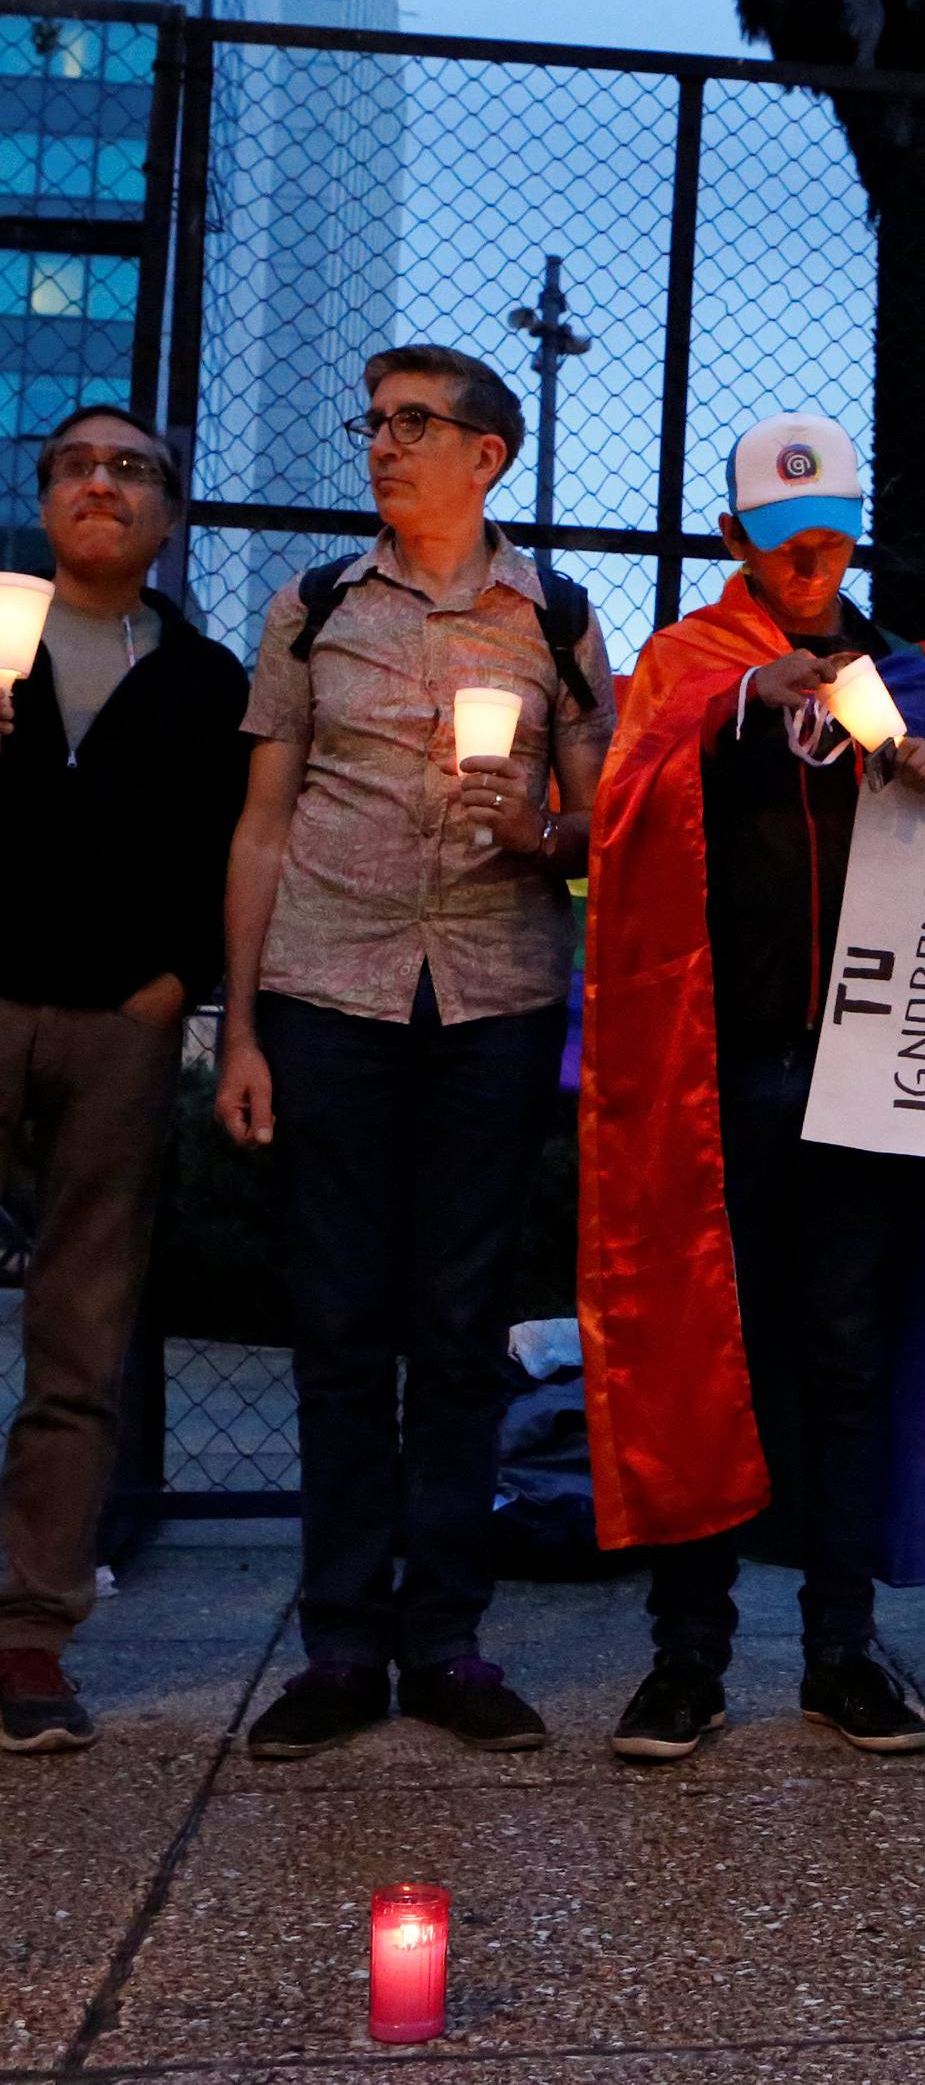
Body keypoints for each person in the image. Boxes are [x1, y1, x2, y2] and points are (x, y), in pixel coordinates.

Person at [579, 411, 925, 1765]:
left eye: (828, 535)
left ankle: (841, 1651)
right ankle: (688, 1656)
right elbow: (620, 805)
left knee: (846, 1352)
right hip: (720, 1073)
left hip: (869, 1075)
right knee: (708, 1350)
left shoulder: (897, 670)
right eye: (782, 542)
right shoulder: (687, 661)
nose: (810, 559)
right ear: (736, 544)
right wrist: (735, 707)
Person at [216, 345, 614, 1760]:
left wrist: (539, 834)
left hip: (493, 1000)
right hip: (330, 992)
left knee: (457, 1334)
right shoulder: (314, 606)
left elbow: (596, 830)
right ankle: (338, 1645)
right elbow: (261, 823)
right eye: (373, 421)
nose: (383, 446)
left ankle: (445, 1638)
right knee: (337, 1327)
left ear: (486, 454)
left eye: (413, 424)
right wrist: (243, 1025)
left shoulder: (557, 617)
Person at [0, 406, 249, 1754]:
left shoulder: (205, 679)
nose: (104, 483)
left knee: (81, 1325)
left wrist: (177, 981)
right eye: (79, 467)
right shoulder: (2, 634)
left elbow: (234, 844)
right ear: (46, 499)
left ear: (166, 515)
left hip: (121, 1018)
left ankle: (30, 1631)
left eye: (133, 470)